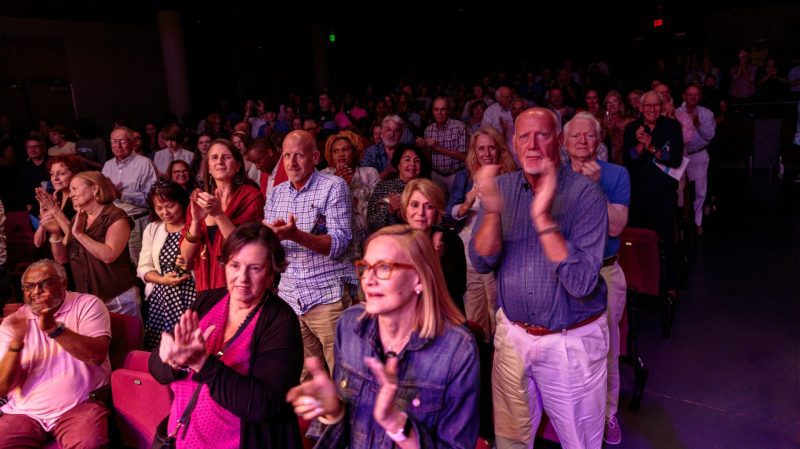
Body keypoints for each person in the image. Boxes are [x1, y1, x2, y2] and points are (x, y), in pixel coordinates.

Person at [470, 107, 609, 449]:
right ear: (514, 144)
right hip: (513, 337)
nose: (532, 144)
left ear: (559, 141)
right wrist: (490, 210)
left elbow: (581, 283)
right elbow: (481, 260)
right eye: (524, 136)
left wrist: (543, 217)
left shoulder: (585, 195)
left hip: (569, 342)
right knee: (511, 442)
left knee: (580, 442)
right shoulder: (501, 188)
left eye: (542, 135)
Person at [287, 225, 479, 448]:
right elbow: (343, 434)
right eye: (365, 268)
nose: (368, 279)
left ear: (419, 278)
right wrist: (333, 412)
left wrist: (397, 424)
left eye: (384, 268)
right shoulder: (350, 325)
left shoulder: (457, 349)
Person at [149, 222, 304, 449]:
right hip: (183, 440)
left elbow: (265, 404)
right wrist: (174, 361)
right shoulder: (207, 300)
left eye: (255, 268)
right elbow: (157, 368)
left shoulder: (280, 321)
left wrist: (202, 363)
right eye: (235, 265)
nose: (242, 277)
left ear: (272, 273)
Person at [263, 130, 353, 378]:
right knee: (305, 378)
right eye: (287, 155)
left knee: (343, 375)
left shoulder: (334, 186)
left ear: (315, 157)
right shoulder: (276, 192)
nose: (291, 163)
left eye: (299, 155)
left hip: (327, 296)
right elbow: (271, 244)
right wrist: (270, 238)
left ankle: (346, 418)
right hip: (290, 298)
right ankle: (315, 419)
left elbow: (339, 244)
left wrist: (295, 235)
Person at [564, 112, 631, 445]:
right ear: (564, 142)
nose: (581, 141)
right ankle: (574, 412)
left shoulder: (616, 174)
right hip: (565, 273)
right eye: (575, 136)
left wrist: (593, 188)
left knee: (607, 349)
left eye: (588, 136)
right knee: (565, 349)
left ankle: (608, 413)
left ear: (598, 140)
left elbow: (616, 226)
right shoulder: (555, 176)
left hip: (605, 271)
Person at [0, 260, 111, 448]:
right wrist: (16, 345)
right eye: (29, 287)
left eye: (45, 284)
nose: (36, 292)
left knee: (88, 443)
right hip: (25, 412)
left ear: (64, 283)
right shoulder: (14, 322)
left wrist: (53, 329)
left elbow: (96, 356)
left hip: (79, 406)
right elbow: (2, 387)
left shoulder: (87, 304)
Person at [447, 126, 517, 339]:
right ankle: (480, 361)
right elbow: (450, 212)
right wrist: (466, 203)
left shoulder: (511, 177)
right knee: (474, 312)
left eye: (491, 148)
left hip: (498, 251)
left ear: (500, 150)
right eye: (481, 149)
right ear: (474, 152)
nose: (486, 154)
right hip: (469, 250)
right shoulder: (465, 176)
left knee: (497, 310)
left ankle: (499, 362)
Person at [48, 171, 141, 317]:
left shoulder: (115, 215)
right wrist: (55, 234)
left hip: (118, 299)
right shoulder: (78, 219)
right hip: (89, 303)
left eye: (74, 189)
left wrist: (79, 234)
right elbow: (61, 258)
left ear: (94, 188)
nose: (71, 194)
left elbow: (109, 255)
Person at [181, 139, 265, 292]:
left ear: (239, 166)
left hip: (240, 286)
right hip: (205, 289)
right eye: (214, 157)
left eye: (226, 157)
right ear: (208, 168)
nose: (219, 161)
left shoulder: (250, 196)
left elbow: (245, 248)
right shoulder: (199, 200)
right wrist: (195, 221)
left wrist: (218, 214)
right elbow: (186, 255)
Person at [623, 90, 683, 296]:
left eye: (656, 105)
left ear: (662, 107)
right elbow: (628, 158)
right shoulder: (632, 128)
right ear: (640, 108)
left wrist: (651, 145)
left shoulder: (672, 127)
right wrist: (642, 144)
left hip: (664, 193)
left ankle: (668, 285)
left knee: (665, 240)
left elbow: (674, 159)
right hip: (639, 194)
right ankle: (641, 285)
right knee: (639, 239)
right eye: (647, 105)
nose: (652, 109)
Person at [138, 181, 196, 350]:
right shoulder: (153, 229)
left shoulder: (195, 227)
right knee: (162, 348)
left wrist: (190, 265)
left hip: (191, 296)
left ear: (182, 202)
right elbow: (143, 268)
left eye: (170, 206)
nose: (165, 212)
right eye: (159, 208)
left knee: (189, 347)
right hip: (162, 299)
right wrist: (162, 280)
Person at [400, 178, 466, 312]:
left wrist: (434, 260)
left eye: (429, 206)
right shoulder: (394, 242)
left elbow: (455, 292)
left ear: (437, 212)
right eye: (414, 205)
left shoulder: (450, 241)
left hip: (445, 320)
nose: (421, 212)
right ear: (405, 208)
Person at [101, 126, 158, 265]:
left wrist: (121, 195)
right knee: (120, 268)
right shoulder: (107, 166)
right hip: (112, 224)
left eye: (122, 141)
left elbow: (153, 199)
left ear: (133, 143)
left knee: (141, 267)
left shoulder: (145, 164)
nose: (117, 145)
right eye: (114, 141)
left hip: (137, 224)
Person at [320, 131, 380, 259]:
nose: (340, 154)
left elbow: (378, 210)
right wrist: (336, 185)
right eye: (335, 151)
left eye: (345, 149)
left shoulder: (370, 173)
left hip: (365, 241)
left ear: (355, 151)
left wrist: (349, 192)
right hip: (335, 245)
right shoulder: (323, 176)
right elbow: (319, 211)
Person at [676, 85, 716, 236]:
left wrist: (697, 123)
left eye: (696, 95)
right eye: (689, 95)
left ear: (699, 97)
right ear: (684, 96)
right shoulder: (676, 112)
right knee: (679, 191)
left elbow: (709, 136)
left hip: (698, 154)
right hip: (680, 155)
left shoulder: (706, 114)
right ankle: (681, 222)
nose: (692, 97)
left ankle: (697, 223)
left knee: (699, 191)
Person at [366, 145, 429, 233]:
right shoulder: (384, 187)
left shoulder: (427, 188)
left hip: (420, 237)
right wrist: (390, 210)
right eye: (407, 159)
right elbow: (372, 222)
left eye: (417, 160)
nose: (412, 164)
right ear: (398, 165)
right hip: (389, 238)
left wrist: (402, 213)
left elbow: (438, 220)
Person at [416, 97, 468, 194]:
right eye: (436, 110)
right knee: (439, 206)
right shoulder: (428, 130)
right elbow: (430, 161)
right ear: (432, 111)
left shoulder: (459, 126)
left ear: (448, 110)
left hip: (455, 175)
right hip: (436, 175)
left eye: (443, 109)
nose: (439, 113)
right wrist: (423, 148)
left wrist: (438, 148)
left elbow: (464, 157)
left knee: (455, 206)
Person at [33, 155, 82, 248]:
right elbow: (37, 243)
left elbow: (75, 238)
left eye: (61, 174)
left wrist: (54, 210)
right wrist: (43, 220)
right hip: (49, 252)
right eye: (52, 174)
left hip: (70, 254)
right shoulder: (55, 197)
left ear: (74, 174)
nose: (55, 178)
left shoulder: (79, 200)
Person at [361, 115, 405, 180]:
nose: (392, 134)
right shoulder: (371, 152)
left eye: (396, 131)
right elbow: (366, 183)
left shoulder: (406, 151)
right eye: (388, 130)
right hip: (377, 189)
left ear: (401, 134)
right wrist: (387, 171)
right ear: (382, 132)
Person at [602, 90, 634, 165]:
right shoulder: (602, 124)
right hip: (609, 163)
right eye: (609, 102)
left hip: (628, 163)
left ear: (620, 105)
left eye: (615, 101)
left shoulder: (630, 122)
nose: (611, 105)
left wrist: (616, 129)